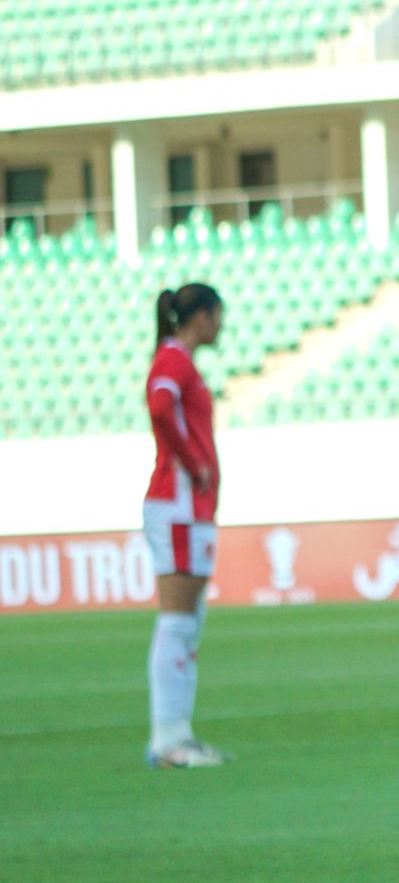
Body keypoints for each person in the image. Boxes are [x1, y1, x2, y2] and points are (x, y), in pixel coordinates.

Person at [144, 283, 226, 769]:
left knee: (189, 621)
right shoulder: (174, 359)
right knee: (178, 621)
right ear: (202, 317)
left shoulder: (178, 359)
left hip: (188, 507)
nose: (221, 326)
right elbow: (159, 404)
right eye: (218, 316)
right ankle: (167, 739)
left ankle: (178, 733)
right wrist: (192, 461)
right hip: (177, 504)